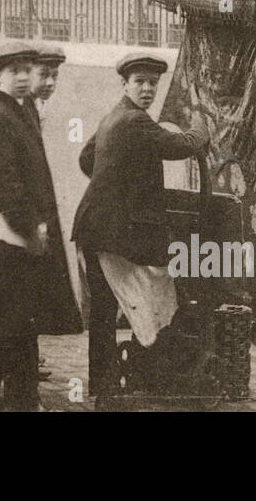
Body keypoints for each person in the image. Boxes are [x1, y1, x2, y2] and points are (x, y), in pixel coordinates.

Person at [72, 52, 209, 398]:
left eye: (153, 83)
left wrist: (118, 185)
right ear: (125, 84)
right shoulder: (135, 121)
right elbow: (181, 145)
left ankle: (104, 386)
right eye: (140, 82)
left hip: (95, 228)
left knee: (104, 310)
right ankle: (140, 374)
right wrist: (201, 128)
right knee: (147, 298)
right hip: (109, 233)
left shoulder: (114, 116)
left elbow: (86, 158)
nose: (148, 88)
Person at [0, 42, 81, 412]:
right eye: (15, 71)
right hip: (8, 240)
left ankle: (17, 400)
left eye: (27, 71)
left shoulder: (18, 109)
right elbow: (2, 186)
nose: (23, 77)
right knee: (5, 330)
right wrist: (32, 228)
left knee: (14, 331)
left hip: (18, 239)